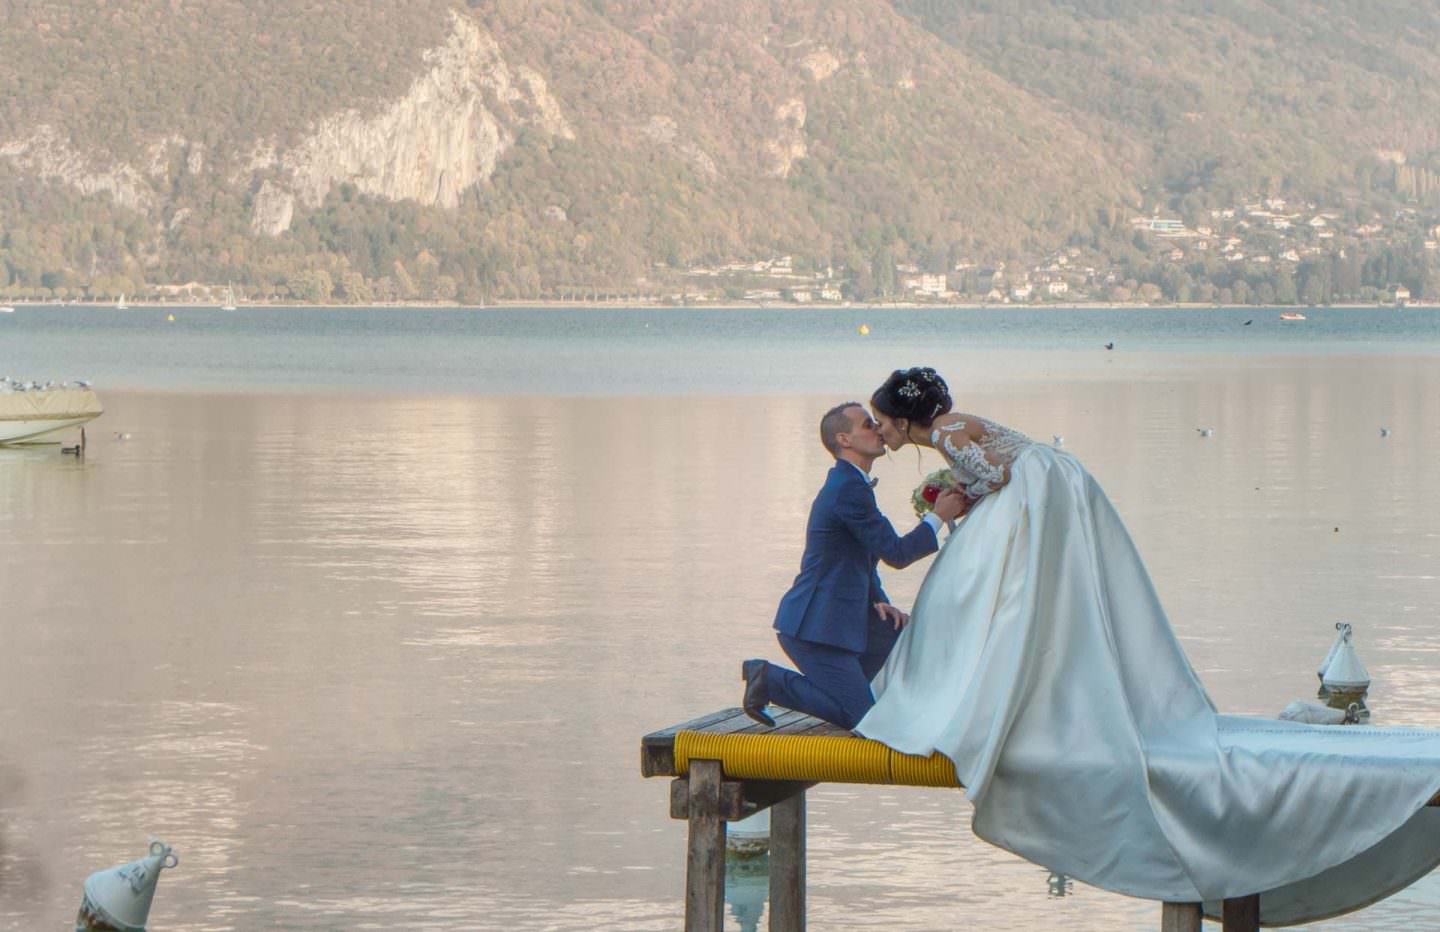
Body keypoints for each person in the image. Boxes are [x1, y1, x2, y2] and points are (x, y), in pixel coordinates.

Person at [854, 366, 1440, 925]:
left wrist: (954, 498)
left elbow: (999, 477)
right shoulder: (954, 428)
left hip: (1036, 497)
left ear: (906, 421)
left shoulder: (950, 433)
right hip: (1048, 490)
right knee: (988, 596)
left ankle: (967, 690)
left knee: (976, 595)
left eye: (881, 420)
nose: (879, 430)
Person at [740, 401, 968, 730]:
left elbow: (861, 558)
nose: (878, 429)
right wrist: (938, 516)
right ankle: (768, 679)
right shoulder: (848, 488)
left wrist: (879, 600)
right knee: (863, 720)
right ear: (844, 440)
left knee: (907, 641)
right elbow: (897, 553)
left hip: (846, 618)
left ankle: (950, 726)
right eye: (867, 425)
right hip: (815, 628)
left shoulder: (852, 484)